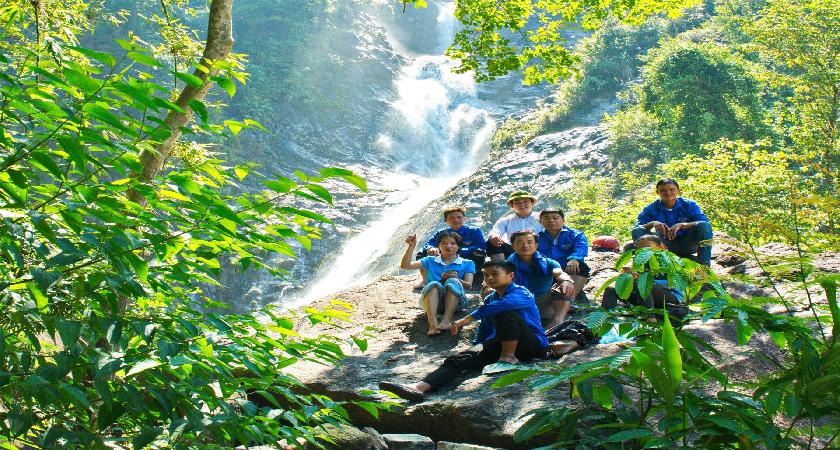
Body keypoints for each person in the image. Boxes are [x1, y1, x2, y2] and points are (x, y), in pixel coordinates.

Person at [379, 260, 560, 402]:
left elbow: (502, 307)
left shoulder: (522, 293)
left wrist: (468, 318)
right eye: (487, 275)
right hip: (502, 341)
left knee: (504, 312)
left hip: (531, 344)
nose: (490, 279)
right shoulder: (491, 297)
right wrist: (477, 347)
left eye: (495, 274)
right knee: (458, 360)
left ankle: (509, 357)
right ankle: (420, 387)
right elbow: (487, 324)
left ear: (511, 275)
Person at [401, 231, 475, 335]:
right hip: (432, 302)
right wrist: (411, 247)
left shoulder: (467, 263)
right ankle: (432, 322)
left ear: (459, 246)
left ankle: (447, 318)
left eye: (453, 243)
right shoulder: (430, 260)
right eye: (444, 243)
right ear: (438, 246)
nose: (448, 246)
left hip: (457, 303)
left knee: (452, 281)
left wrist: (457, 278)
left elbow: (468, 285)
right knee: (433, 284)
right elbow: (406, 266)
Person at [601, 234, 687, 320]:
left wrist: (646, 281)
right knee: (611, 289)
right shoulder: (641, 262)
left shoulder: (669, 260)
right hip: (645, 297)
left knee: (641, 283)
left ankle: (650, 317)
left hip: (670, 297)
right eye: (640, 248)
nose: (643, 251)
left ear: (660, 247)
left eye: (647, 247)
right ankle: (605, 317)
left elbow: (672, 284)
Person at [632, 178, 713, 266]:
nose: (668, 193)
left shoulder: (689, 205)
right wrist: (652, 223)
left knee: (704, 226)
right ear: (657, 192)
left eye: (671, 190)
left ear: (678, 191)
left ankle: (705, 266)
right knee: (637, 231)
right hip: (664, 244)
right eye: (663, 190)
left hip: (688, 244)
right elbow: (638, 227)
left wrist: (682, 225)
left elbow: (703, 222)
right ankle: (645, 266)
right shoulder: (650, 208)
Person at [503, 229, 575, 330]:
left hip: (541, 304)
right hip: (516, 305)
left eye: (529, 242)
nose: (525, 245)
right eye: (520, 242)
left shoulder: (549, 263)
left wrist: (567, 281)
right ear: (513, 247)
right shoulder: (504, 266)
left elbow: (559, 273)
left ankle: (557, 321)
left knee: (563, 287)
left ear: (536, 245)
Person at [414, 206, 486, 289]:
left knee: (479, 253)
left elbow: (481, 245)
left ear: (464, 218)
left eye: (459, 217)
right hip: (446, 256)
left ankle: (471, 278)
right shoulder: (442, 232)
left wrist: (459, 251)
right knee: (422, 253)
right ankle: (425, 280)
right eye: (451, 218)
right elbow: (428, 244)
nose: (456, 220)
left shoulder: (474, 230)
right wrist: (431, 248)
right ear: (445, 220)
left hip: (466, 257)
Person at [537, 208, 589, 301]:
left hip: (567, 268)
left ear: (563, 220)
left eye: (555, 218)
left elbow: (581, 248)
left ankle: (570, 300)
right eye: (547, 218)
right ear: (541, 222)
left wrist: (574, 258)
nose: (551, 220)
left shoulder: (576, 235)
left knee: (581, 267)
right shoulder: (536, 237)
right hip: (546, 269)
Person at [486, 191, 543, 262]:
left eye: (525, 202)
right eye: (517, 202)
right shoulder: (506, 220)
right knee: (492, 241)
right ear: (512, 205)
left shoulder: (541, 218)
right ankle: (501, 266)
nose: (522, 204)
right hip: (513, 249)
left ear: (532, 204)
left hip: (536, 248)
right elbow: (496, 231)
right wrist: (495, 235)